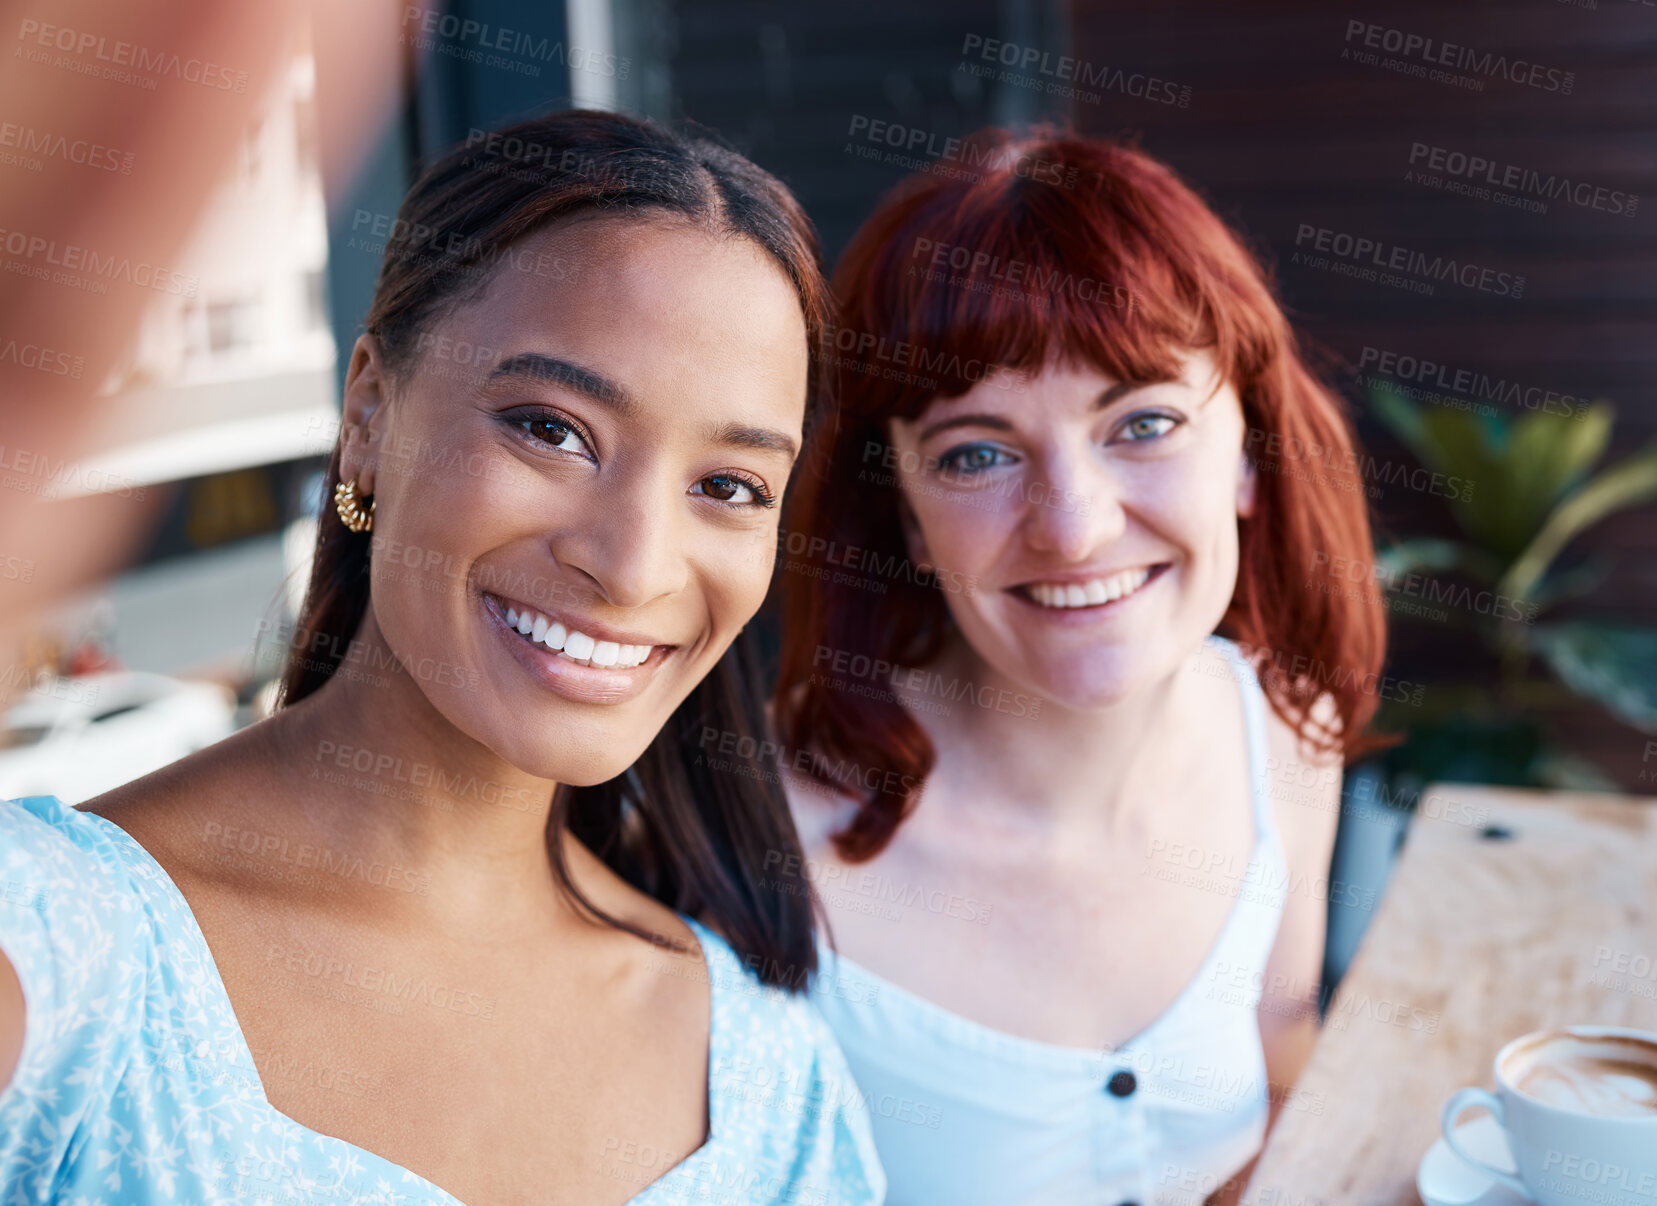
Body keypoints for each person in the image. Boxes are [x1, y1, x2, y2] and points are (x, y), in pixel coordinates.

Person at [0, 110, 885, 1206]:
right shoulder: (54, 964)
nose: (635, 566)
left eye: (728, 487)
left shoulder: (763, 1073)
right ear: (368, 411)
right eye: (552, 430)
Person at [769, 129, 1387, 1206]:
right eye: (976, 452)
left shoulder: (1285, 731)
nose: (1073, 527)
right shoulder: (751, 833)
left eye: (1141, 423)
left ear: (1245, 451)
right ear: (904, 518)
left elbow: (1286, 1049)